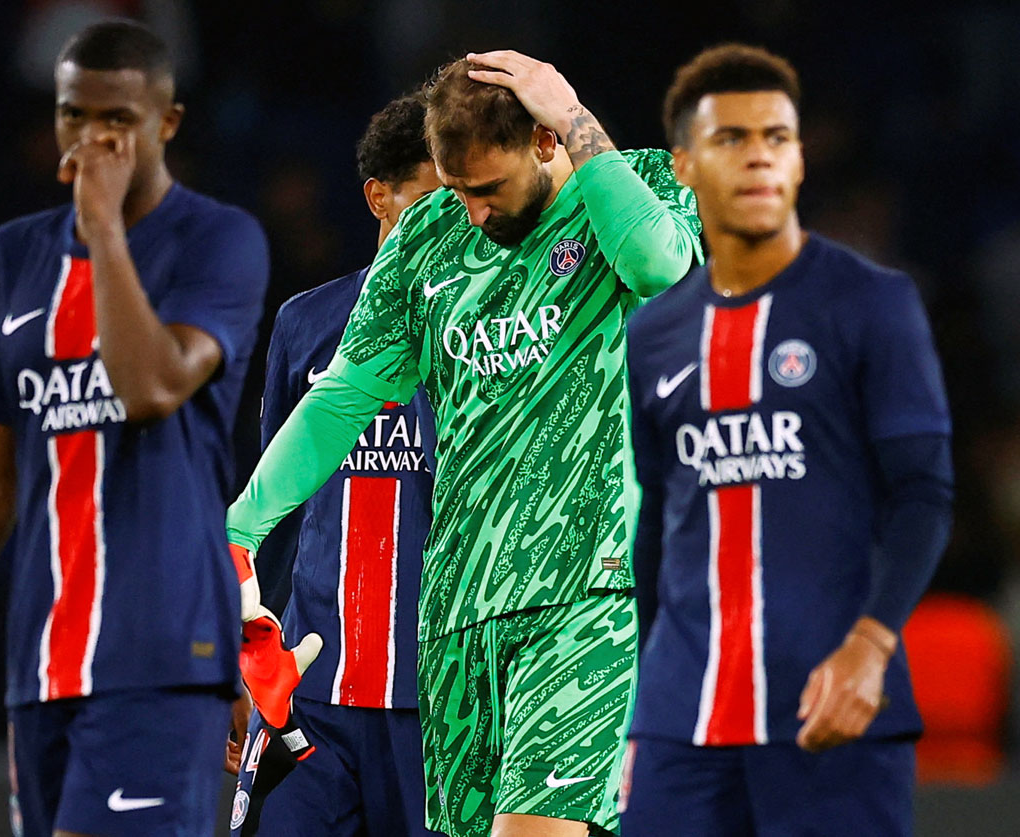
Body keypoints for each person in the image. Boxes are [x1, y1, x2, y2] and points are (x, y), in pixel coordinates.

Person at [226, 51, 702, 837]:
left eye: (487, 190)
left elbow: (664, 271)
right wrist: (238, 526)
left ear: (548, 143)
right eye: (457, 191)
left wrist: (573, 114)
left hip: (588, 590)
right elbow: (344, 395)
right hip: (454, 609)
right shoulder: (426, 239)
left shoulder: (638, 181)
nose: (472, 214)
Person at [0, 20, 268, 837]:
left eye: (117, 119)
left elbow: (149, 385)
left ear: (169, 123)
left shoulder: (218, 241)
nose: (92, 138)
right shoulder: (5, 262)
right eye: (74, 114)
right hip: (42, 662)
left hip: (162, 657)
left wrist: (104, 232)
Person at [621, 44, 953, 835]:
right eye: (732, 138)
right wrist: (634, 707)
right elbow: (654, 527)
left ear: (800, 160)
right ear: (685, 166)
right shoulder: (653, 333)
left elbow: (924, 493)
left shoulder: (873, 302)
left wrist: (871, 645)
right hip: (681, 720)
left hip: (829, 710)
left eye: (777, 136)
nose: (759, 154)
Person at [228, 92, 441, 837]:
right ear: (377, 197)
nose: (453, 220)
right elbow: (277, 506)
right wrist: (245, 656)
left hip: (436, 699)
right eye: (431, 198)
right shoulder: (307, 322)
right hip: (308, 687)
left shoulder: (488, 335)